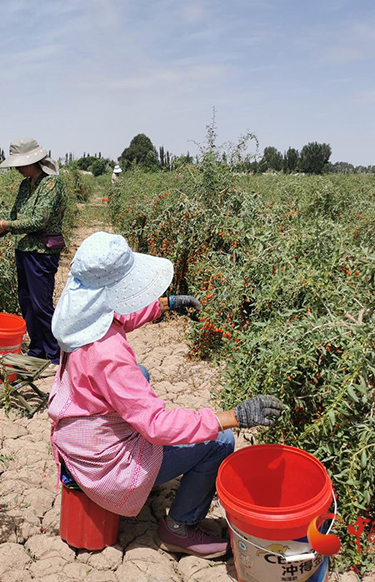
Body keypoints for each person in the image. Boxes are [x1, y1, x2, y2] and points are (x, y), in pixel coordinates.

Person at [48, 231, 283, 559]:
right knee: (220, 442)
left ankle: (149, 478)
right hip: (102, 463)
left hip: (77, 436)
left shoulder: (77, 317)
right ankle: (179, 529)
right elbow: (156, 425)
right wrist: (233, 417)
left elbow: (117, 316)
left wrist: (165, 305)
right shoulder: (108, 353)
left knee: (140, 376)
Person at [0, 138, 67, 365]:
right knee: (27, 303)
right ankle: (37, 350)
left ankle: (54, 355)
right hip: (24, 251)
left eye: (19, 163)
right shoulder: (25, 186)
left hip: (43, 253)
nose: (16, 168)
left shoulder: (51, 184)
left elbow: (39, 221)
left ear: (32, 161)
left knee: (41, 304)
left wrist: (3, 225)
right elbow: (15, 219)